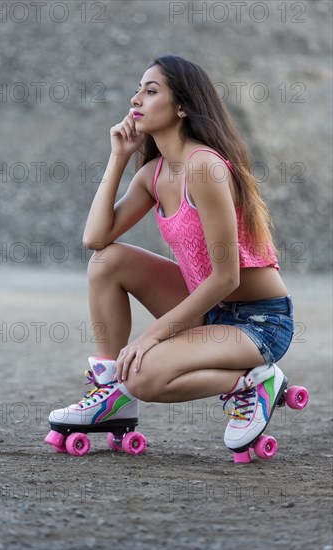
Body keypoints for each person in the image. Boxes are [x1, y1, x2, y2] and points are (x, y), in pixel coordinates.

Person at [49, 54, 294, 454]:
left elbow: (226, 277)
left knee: (143, 377)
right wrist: (119, 156)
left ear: (181, 106)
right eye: (137, 90)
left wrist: (149, 337)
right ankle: (111, 392)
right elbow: (95, 238)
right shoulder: (154, 174)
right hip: (206, 309)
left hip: (258, 320)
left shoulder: (206, 168)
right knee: (107, 261)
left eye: (150, 91)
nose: (136, 100)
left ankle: (255, 381)